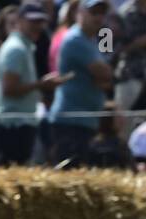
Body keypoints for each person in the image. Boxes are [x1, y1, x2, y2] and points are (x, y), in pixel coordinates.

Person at [0, 2, 63, 164]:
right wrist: (41, 85)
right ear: (19, 21)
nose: (37, 26)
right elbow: (9, 88)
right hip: (14, 126)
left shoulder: (24, 46)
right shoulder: (16, 49)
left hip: (20, 123)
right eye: (32, 21)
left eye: (40, 21)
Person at [47, 0, 112, 166]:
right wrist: (101, 76)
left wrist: (103, 75)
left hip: (85, 121)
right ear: (80, 13)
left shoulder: (98, 37)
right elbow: (105, 73)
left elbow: (108, 77)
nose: (98, 17)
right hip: (71, 121)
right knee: (68, 173)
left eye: (102, 13)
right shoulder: (75, 40)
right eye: (93, 12)